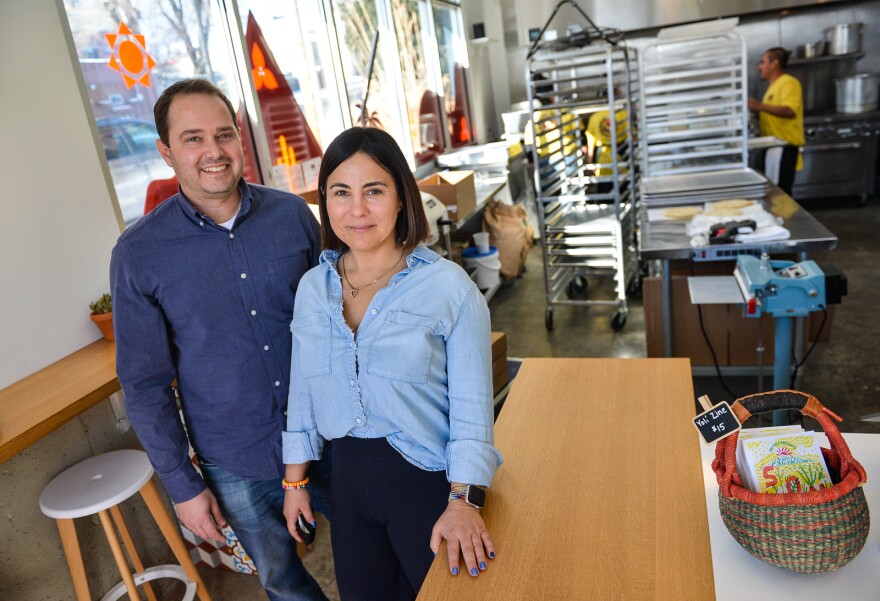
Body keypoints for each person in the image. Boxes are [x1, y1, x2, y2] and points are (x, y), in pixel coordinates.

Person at [110, 78, 332, 601]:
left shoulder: (292, 216)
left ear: (240, 139)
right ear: (166, 151)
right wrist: (184, 487)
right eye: (192, 138)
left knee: (377, 555)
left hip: (333, 433)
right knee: (283, 580)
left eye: (224, 134)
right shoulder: (138, 255)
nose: (213, 151)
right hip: (236, 458)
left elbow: (338, 319)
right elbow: (143, 385)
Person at [282, 127, 503, 601]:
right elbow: (302, 393)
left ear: (403, 197)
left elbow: (471, 411)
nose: (356, 210)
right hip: (350, 486)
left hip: (429, 486)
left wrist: (465, 502)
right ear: (325, 201)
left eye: (374, 191)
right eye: (340, 193)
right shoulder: (312, 289)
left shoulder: (449, 290)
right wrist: (294, 481)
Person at [748, 47, 804, 196]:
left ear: (774, 63)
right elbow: (771, 115)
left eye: (763, 62)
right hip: (774, 148)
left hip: (784, 147)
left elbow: (789, 111)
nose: (760, 67)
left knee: (781, 194)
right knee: (775, 192)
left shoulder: (788, 83)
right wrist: (756, 111)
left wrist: (759, 106)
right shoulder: (773, 87)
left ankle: (785, 219)